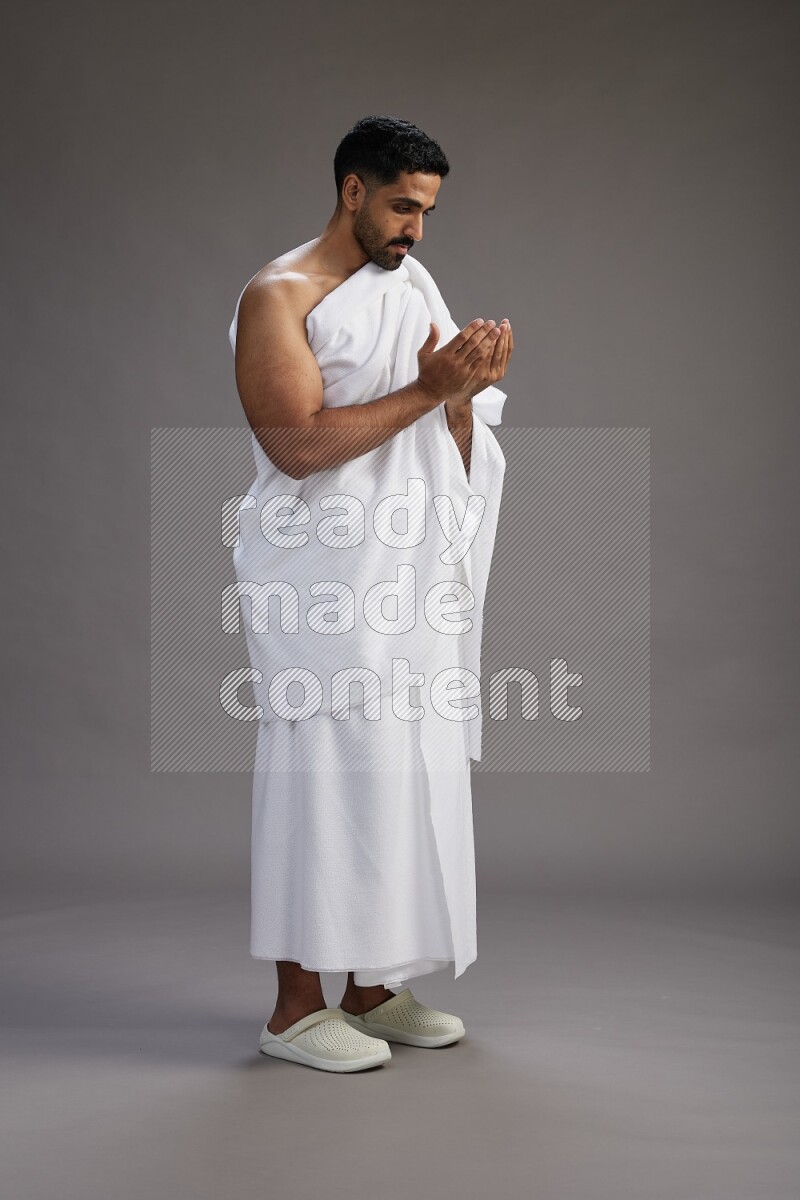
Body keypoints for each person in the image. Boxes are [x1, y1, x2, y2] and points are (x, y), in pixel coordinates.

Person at [228, 115, 513, 1072]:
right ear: (352, 190)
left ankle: (375, 988)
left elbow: (447, 441)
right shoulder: (279, 296)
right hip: (322, 588)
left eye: (426, 212)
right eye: (400, 207)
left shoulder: (411, 283)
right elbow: (298, 448)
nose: (415, 233)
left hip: (408, 586)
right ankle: (295, 1009)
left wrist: (464, 397)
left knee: (402, 777)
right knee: (324, 782)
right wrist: (433, 393)